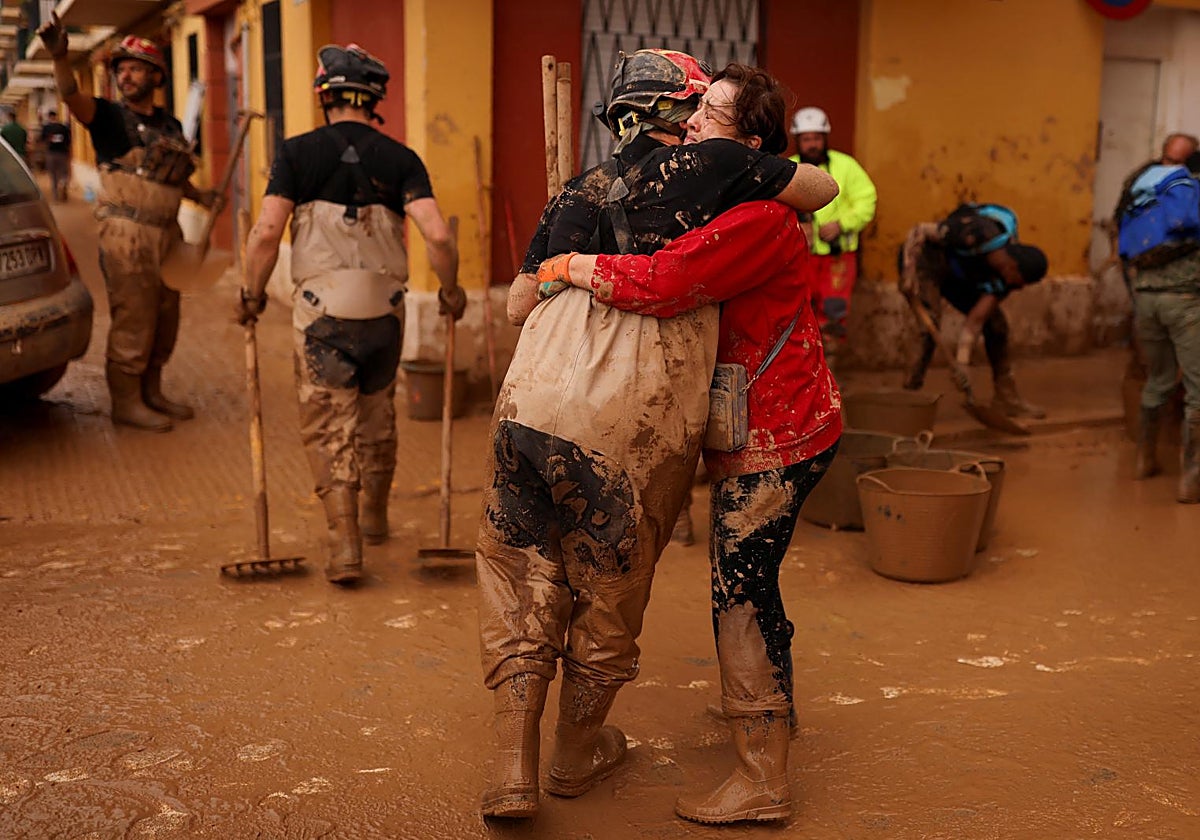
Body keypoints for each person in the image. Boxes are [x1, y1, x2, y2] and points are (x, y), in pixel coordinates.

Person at [476, 50, 837, 820]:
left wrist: (565, 253)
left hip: (535, 399)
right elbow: (812, 191)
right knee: (611, 586)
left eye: (717, 113)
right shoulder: (715, 180)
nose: (702, 123)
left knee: (522, 569)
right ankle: (572, 757)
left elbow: (519, 306)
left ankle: (516, 767)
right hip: (630, 414)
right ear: (676, 113)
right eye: (698, 108)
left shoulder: (581, 189)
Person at [238, 44, 465, 584]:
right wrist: (450, 290)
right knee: (376, 415)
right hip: (385, 315)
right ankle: (377, 517)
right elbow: (436, 233)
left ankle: (346, 544)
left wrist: (251, 293)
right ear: (374, 100)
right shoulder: (402, 159)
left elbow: (267, 232)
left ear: (324, 96)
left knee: (328, 424)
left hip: (321, 318)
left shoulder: (295, 155)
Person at [39, 13, 215, 432]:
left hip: (167, 234)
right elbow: (69, 92)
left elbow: (176, 176)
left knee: (165, 318)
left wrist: (200, 196)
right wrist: (61, 57)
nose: (126, 75)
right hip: (126, 234)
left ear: (156, 75)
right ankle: (126, 402)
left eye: (136, 68)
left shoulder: (170, 125)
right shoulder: (106, 117)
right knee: (134, 317)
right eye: (121, 68)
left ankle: (152, 390)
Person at [898, 205, 1049, 418]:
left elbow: (976, 320)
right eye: (1021, 282)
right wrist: (909, 271)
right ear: (1012, 266)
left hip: (958, 275)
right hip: (925, 261)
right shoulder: (977, 233)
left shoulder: (1004, 281)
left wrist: (962, 364)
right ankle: (906, 400)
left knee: (996, 326)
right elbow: (919, 231)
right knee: (927, 329)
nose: (1020, 288)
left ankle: (1007, 398)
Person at [1121, 154, 1200, 503]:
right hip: (1184, 303)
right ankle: (1191, 481)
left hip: (1146, 302)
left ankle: (1144, 460)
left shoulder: (1150, 198)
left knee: (1159, 379)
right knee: (1199, 391)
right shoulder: (1191, 201)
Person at [788, 106, 877, 368]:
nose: (812, 144)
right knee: (800, 312)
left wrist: (842, 224)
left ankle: (831, 369)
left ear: (825, 138)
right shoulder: (788, 168)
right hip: (799, 257)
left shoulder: (846, 166)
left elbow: (866, 200)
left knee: (835, 314)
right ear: (798, 140)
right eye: (807, 139)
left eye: (817, 138)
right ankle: (805, 367)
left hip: (837, 257)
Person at [41, 109, 72, 201]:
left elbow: (43, 140)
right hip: (62, 153)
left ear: (49, 117)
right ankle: (63, 183)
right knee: (63, 173)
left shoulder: (46, 128)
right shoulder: (63, 127)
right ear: (56, 116)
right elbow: (68, 141)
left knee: (53, 174)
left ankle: (55, 196)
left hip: (51, 153)